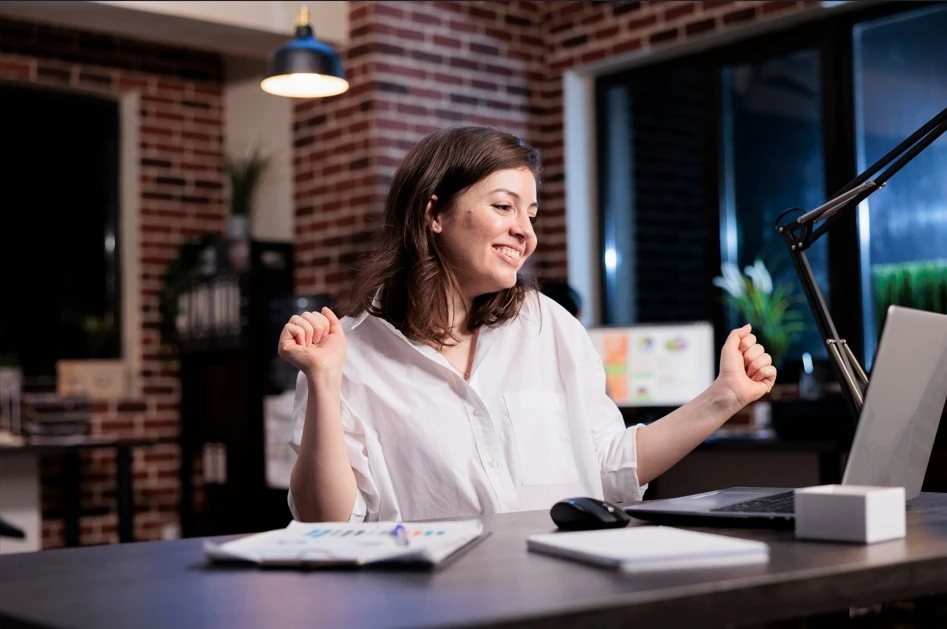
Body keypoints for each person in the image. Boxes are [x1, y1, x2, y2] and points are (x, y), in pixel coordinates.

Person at [278, 127, 776, 523]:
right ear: (434, 213)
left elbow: (611, 467)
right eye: (503, 206)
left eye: (531, 213)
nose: (526, 231)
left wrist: (725, 396)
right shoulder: (347, 352)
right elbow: (331, 520)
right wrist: (323, 381)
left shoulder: (550, 326)